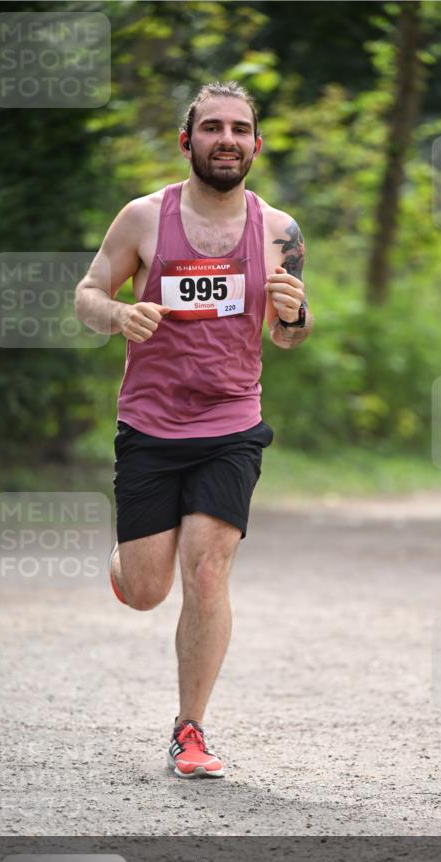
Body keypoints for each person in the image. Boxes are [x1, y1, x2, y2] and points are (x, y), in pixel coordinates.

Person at [75, 81, 313, 779]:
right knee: (149, 590)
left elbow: (289, 337)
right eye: (212, 127)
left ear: (256, 145)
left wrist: (294, 315)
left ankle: (190, 729)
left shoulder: (280, 231)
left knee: (207, 572)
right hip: (149, 425)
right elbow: (87, 296)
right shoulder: (144, 218)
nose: (226, 139)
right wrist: (119, 315)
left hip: (231, 423)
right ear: (188, 141)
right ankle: (127, 569)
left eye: (239, 128)